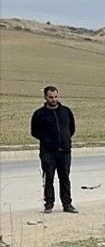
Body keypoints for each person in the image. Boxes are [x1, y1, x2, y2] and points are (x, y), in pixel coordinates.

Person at [30, 85, 77, 213]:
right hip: (48, 152)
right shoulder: (39, 114)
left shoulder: (66, 112)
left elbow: (71, 129)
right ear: (45, 97)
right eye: (51, 97)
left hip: (64, 151)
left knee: (65, 178)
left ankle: (67, 204)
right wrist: (47, 140)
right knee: (49, 177)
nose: (54, 99)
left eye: (55, 97)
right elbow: (34, 132)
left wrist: (65, 140)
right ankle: (49, 204)